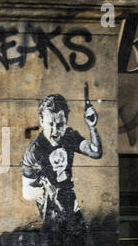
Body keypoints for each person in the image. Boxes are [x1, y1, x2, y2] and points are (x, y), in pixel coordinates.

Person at [21, 92, 101, 231]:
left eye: (59, 125)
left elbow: (95, 152)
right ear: (41, 121)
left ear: (66, 121)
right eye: (50, 124)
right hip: (50, 216)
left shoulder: (69, 136)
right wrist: (45, 190)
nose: (55, 131)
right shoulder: (34, 152)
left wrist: (92, 127)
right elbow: (26, 193)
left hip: (72, 208)